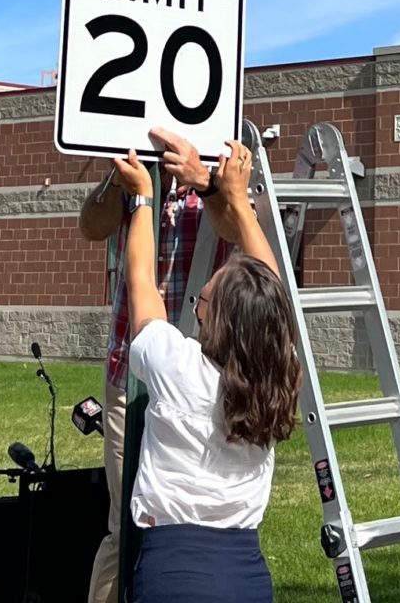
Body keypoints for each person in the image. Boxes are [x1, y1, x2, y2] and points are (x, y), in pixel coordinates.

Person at [114, 138, 301, 603]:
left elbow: (141, 282)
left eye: (203, 299)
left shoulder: (178, 368)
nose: (199, 302)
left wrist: (142, 198)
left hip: (175, 569)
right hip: (247, 573)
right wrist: (236, 199)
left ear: (211, 318)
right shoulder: (276, 376)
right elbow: (272, 289)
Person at [85, 129, 233, 603]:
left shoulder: (219, 163)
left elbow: (241, 229)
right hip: (129, 374)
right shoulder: (134, 171)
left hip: (199, 383)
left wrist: (204, 181)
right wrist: (119, 183)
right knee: (123, 526)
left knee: (190, 522)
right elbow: (91, 226)